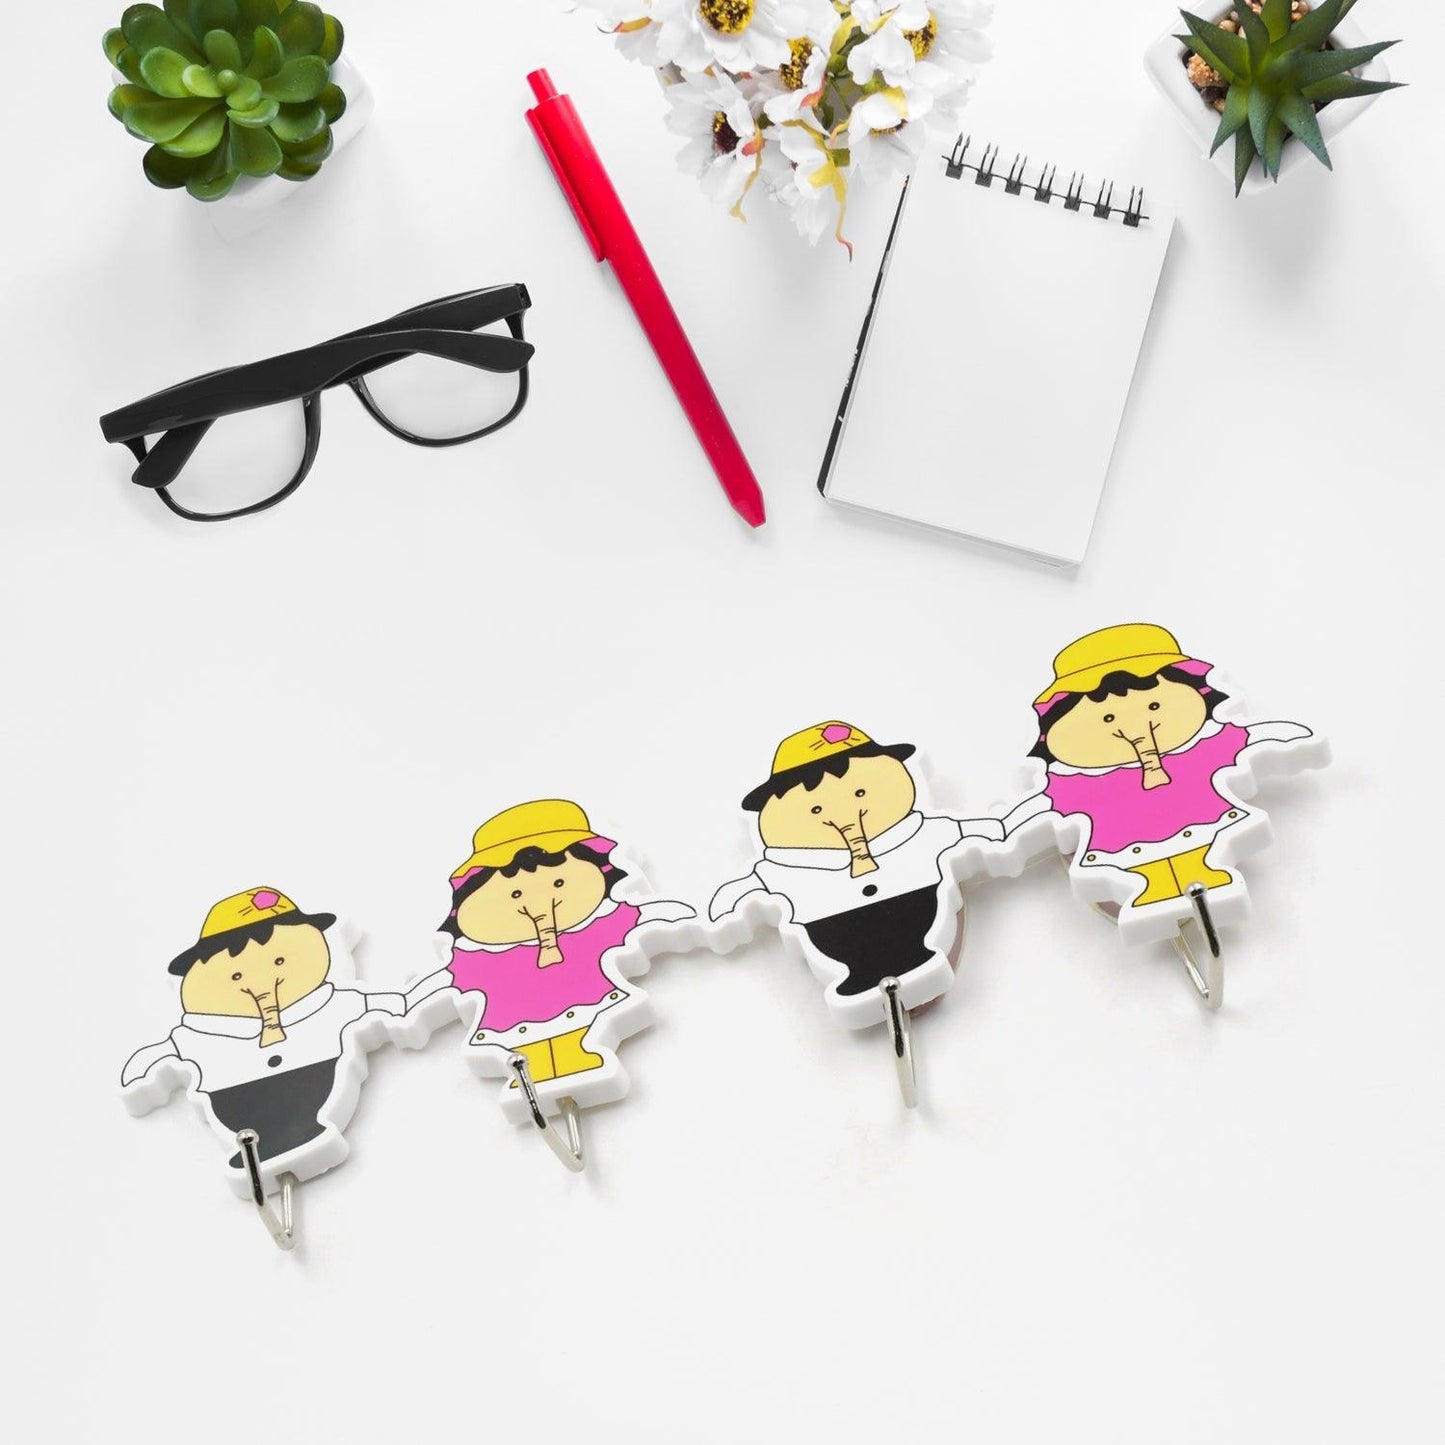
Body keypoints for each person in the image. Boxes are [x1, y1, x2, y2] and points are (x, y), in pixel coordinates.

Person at [1003, 623, 1321, 930]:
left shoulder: (1204, 748)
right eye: (1108, 717)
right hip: (1124, 844)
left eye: (1154, 705)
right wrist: (1003, 827)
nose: (1132, 725)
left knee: (1199, 857)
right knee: (1147, 871)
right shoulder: (1075, 784)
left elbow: (1247, 740)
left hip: (1200, 822)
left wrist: (1287, 737)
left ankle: (1197, 880)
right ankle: (1153, 893)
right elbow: (1043, 806)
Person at [709, 721, 1004, 1024]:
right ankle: (859, 976)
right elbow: (748, 888)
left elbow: (970, 832)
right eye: (815, 810)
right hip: (832, 931)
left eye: (860, 792)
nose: (843, 813)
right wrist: (723, 909)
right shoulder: (785, 870)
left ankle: (914, 960)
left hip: (916, 910)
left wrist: (998, 830)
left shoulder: (921, 834)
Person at [406, 799, 695, 1105]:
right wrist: (407, 1002)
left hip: (584, 1001)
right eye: (515, 893)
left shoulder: (601, 926)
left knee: (576, 1038)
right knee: (532, 1051)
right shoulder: (476, 959)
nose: (535, 903)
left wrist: (693, 917)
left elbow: (646, 917)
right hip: (514, 1019)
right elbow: (447, 981)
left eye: (559, 882)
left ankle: (574, 1062)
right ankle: (542, 1073)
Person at [122, 887, 414, 1186]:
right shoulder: (200, 1036)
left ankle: (301, 1134)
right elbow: (166, 1052)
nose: (261, 982)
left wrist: (405, 1002)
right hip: (235, 1101)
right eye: (236, 976)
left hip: (313, 1082)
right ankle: (264, 1148)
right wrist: (142, 1072)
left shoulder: (333, 1005)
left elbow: (378, 1004)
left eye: (279, 962)